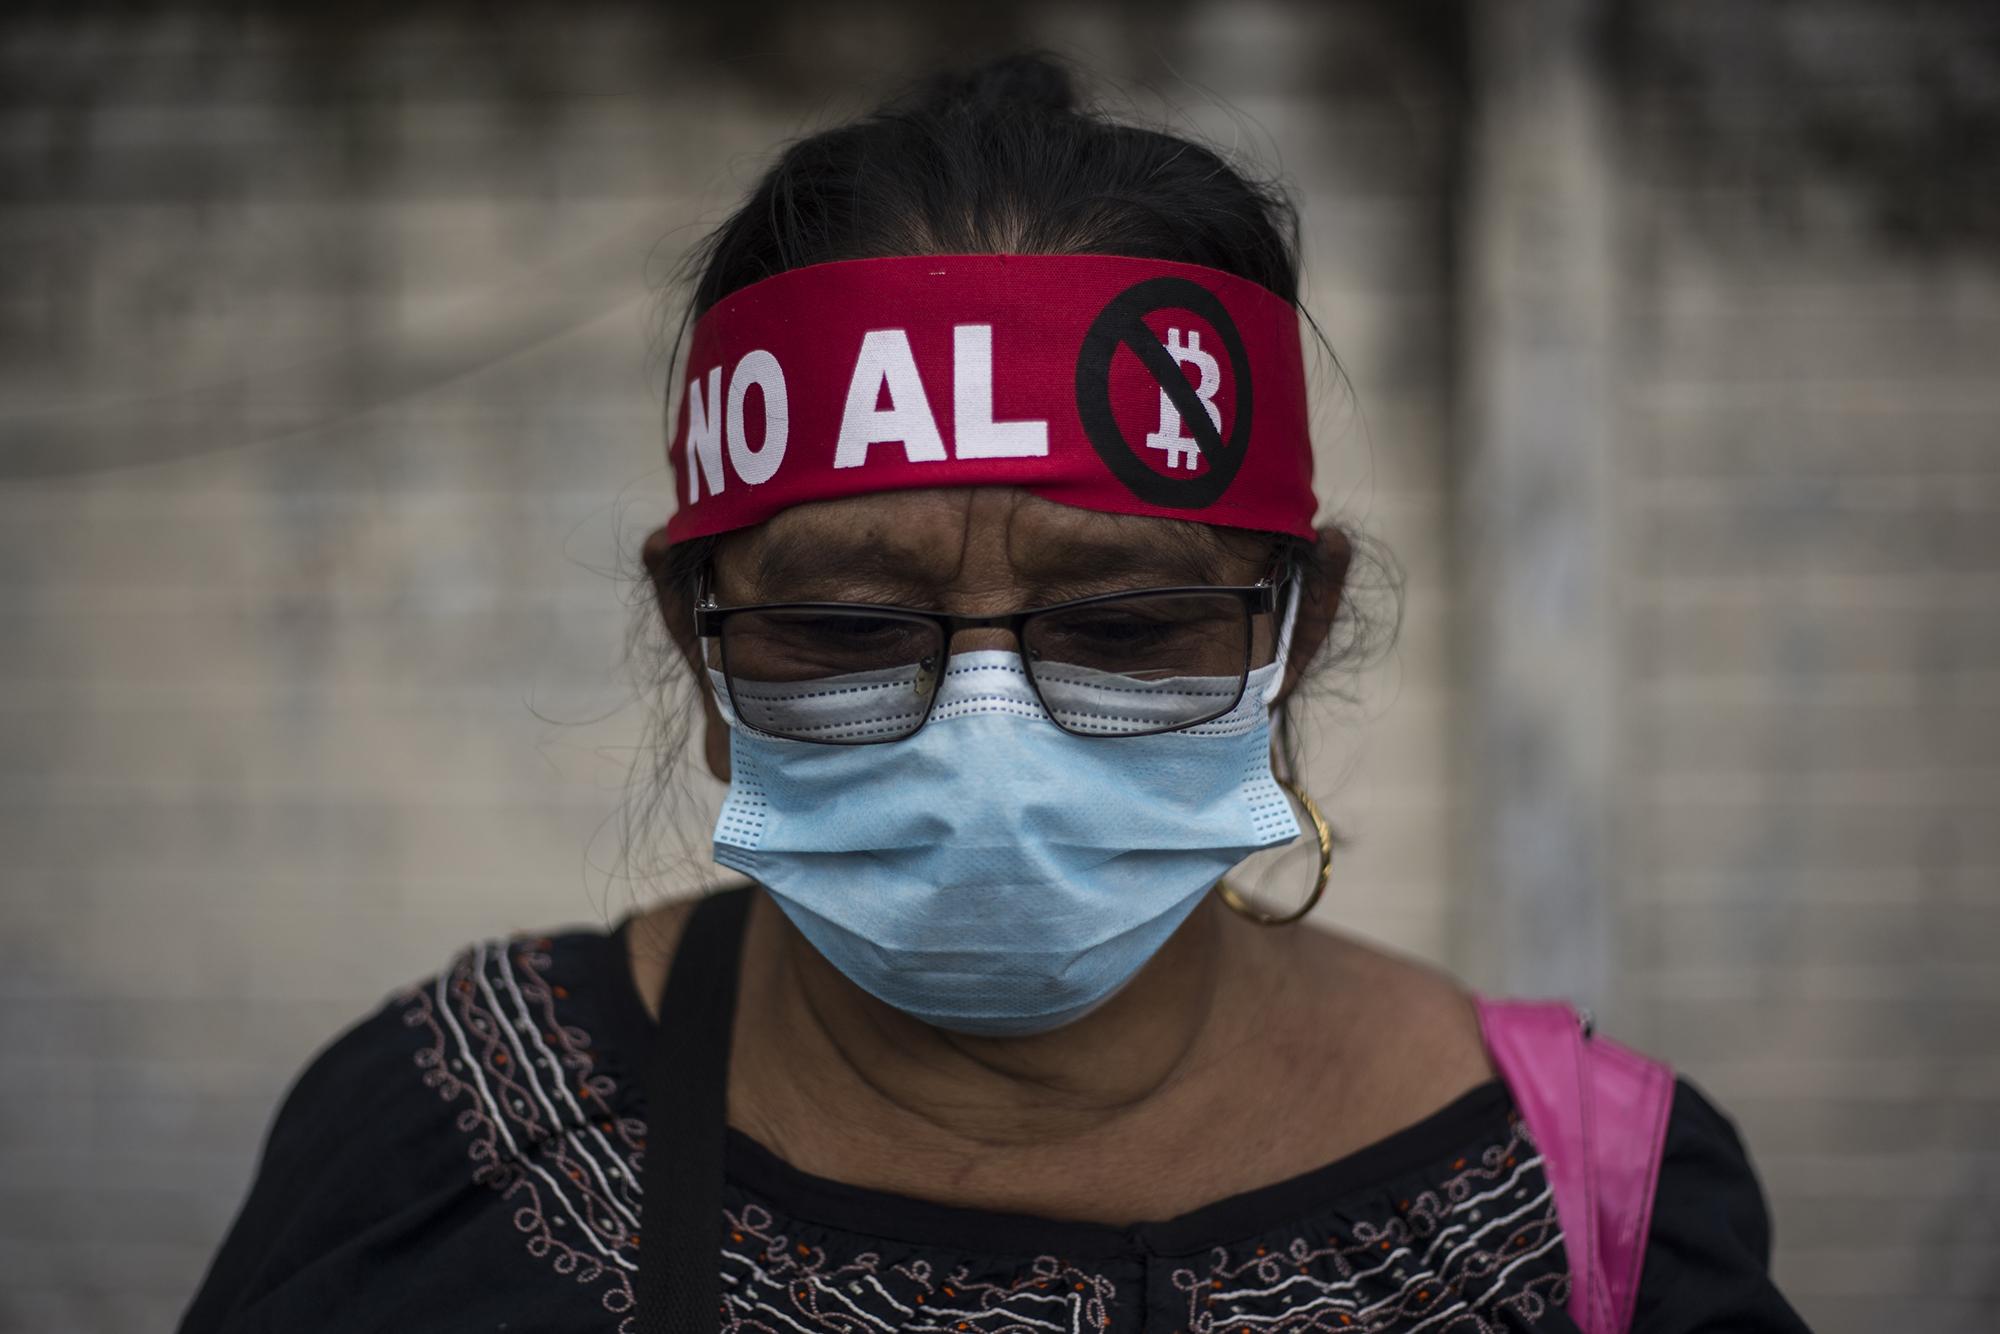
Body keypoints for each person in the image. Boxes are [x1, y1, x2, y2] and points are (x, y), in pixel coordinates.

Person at [178, 52, 1810, 1334]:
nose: (989, 749)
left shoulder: (1597, 1200)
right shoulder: (434, 1151)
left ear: (1288, 640)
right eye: (841, 627)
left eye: (1126, 623)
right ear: (703, 644)